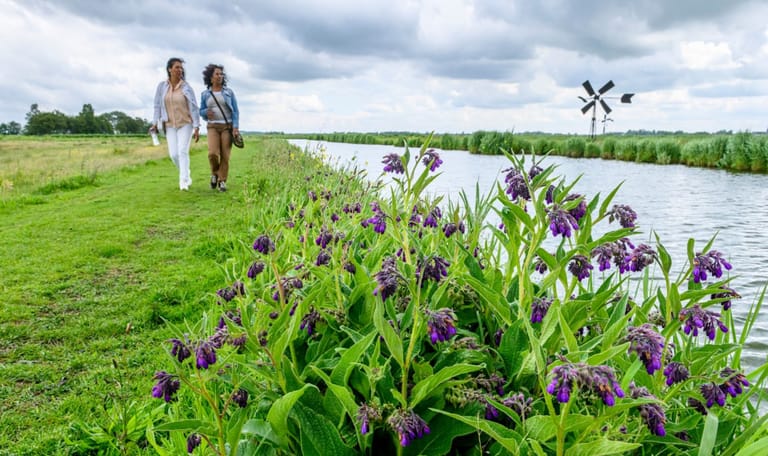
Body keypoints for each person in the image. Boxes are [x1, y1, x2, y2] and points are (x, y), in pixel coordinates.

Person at [150, 57, 200, 191]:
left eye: (181, 68)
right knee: (173, 154)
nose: (180, 70)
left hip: (185, 123)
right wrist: (154, 123)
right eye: (177, 67)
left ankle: (183, 181)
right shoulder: (162, 87)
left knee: (182, 151)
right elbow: (157, 106)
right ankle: (186, 172)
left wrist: (196, 126)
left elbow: (194, 107)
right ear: (169, 69)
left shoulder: (186, 87)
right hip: (169, 124)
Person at [199, 64, 240, 192]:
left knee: (225, 155)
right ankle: (214, 173)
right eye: (217, 74)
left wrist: (235, 127)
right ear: (210, 77)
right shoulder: (205, 94)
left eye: (221, 74)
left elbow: (235, 111)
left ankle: (222, 181)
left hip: (227, 127)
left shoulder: (229, 92)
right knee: (212, 153)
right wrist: (205, 112)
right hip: (212, 126)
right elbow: (201, 111)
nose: (220, 76)